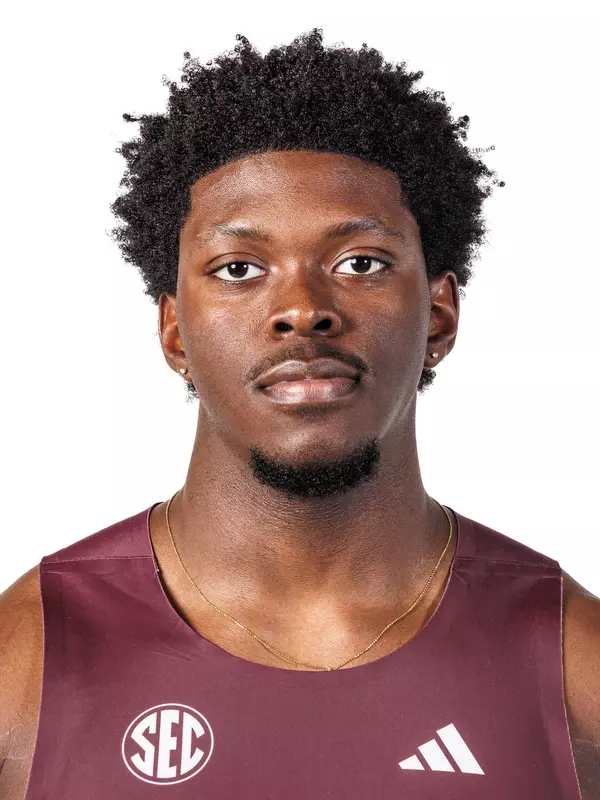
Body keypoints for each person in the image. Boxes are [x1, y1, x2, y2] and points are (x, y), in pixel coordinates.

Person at [1, 28, 598, 799]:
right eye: (239, 268)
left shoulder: (573, 664)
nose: (302, 308)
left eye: (360, 263)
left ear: (440, 317)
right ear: (175, 332)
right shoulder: (27, 658)